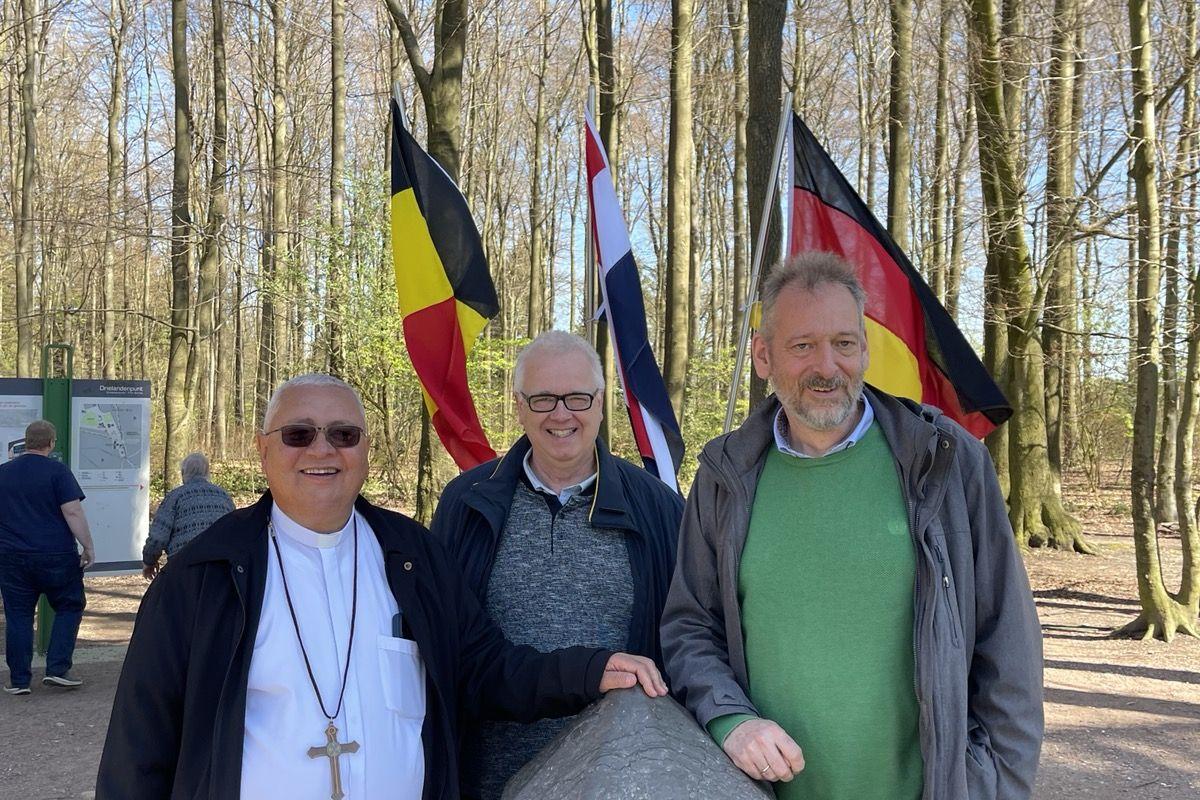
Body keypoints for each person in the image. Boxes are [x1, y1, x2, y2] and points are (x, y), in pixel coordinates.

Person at [96, 374, 666, 800]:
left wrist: (589, 670)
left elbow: (483, 668)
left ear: (365, 449)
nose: (322, 450)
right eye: (299, 434)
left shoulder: (413, 556)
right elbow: (138, 753)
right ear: (263, 448)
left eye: (343, 434)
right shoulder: (199, 579)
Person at [660, 252, 1043, 800]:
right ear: (763, 356)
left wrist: (993, 788)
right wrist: (730, 720)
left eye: (843, 343)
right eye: (802, 346)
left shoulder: (945, 461)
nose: (827, 366)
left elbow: (1009, 647)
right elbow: (691, 627)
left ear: (864, 349)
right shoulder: (725, 476)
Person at [432, 330, 684, 799]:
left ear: (601, 403)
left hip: (615, 783)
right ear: (519, 406)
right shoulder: (466, 504)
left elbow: (685, 640)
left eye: (577, 398)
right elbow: (447, 646)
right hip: (487, 783)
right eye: (543, 399)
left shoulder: (659, 509)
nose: (561, 414)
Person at [0, 420, 95, 694]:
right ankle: (57, 668)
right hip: (56, 555)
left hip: (12, 556)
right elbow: (72, 511)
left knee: (18, 615)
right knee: (69, 606)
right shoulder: (58, 472)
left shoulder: (3, 473)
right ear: (51, 443)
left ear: (26, 441)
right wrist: (88, 546)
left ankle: (19, 681)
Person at [141, 452, 235, 579]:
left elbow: (158, 538)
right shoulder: (225, 498)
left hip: (184, 569)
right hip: (220, 570)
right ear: (207, 473)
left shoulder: (175, 497)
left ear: (183, 473)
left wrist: (149, 562)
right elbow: (235, 534)